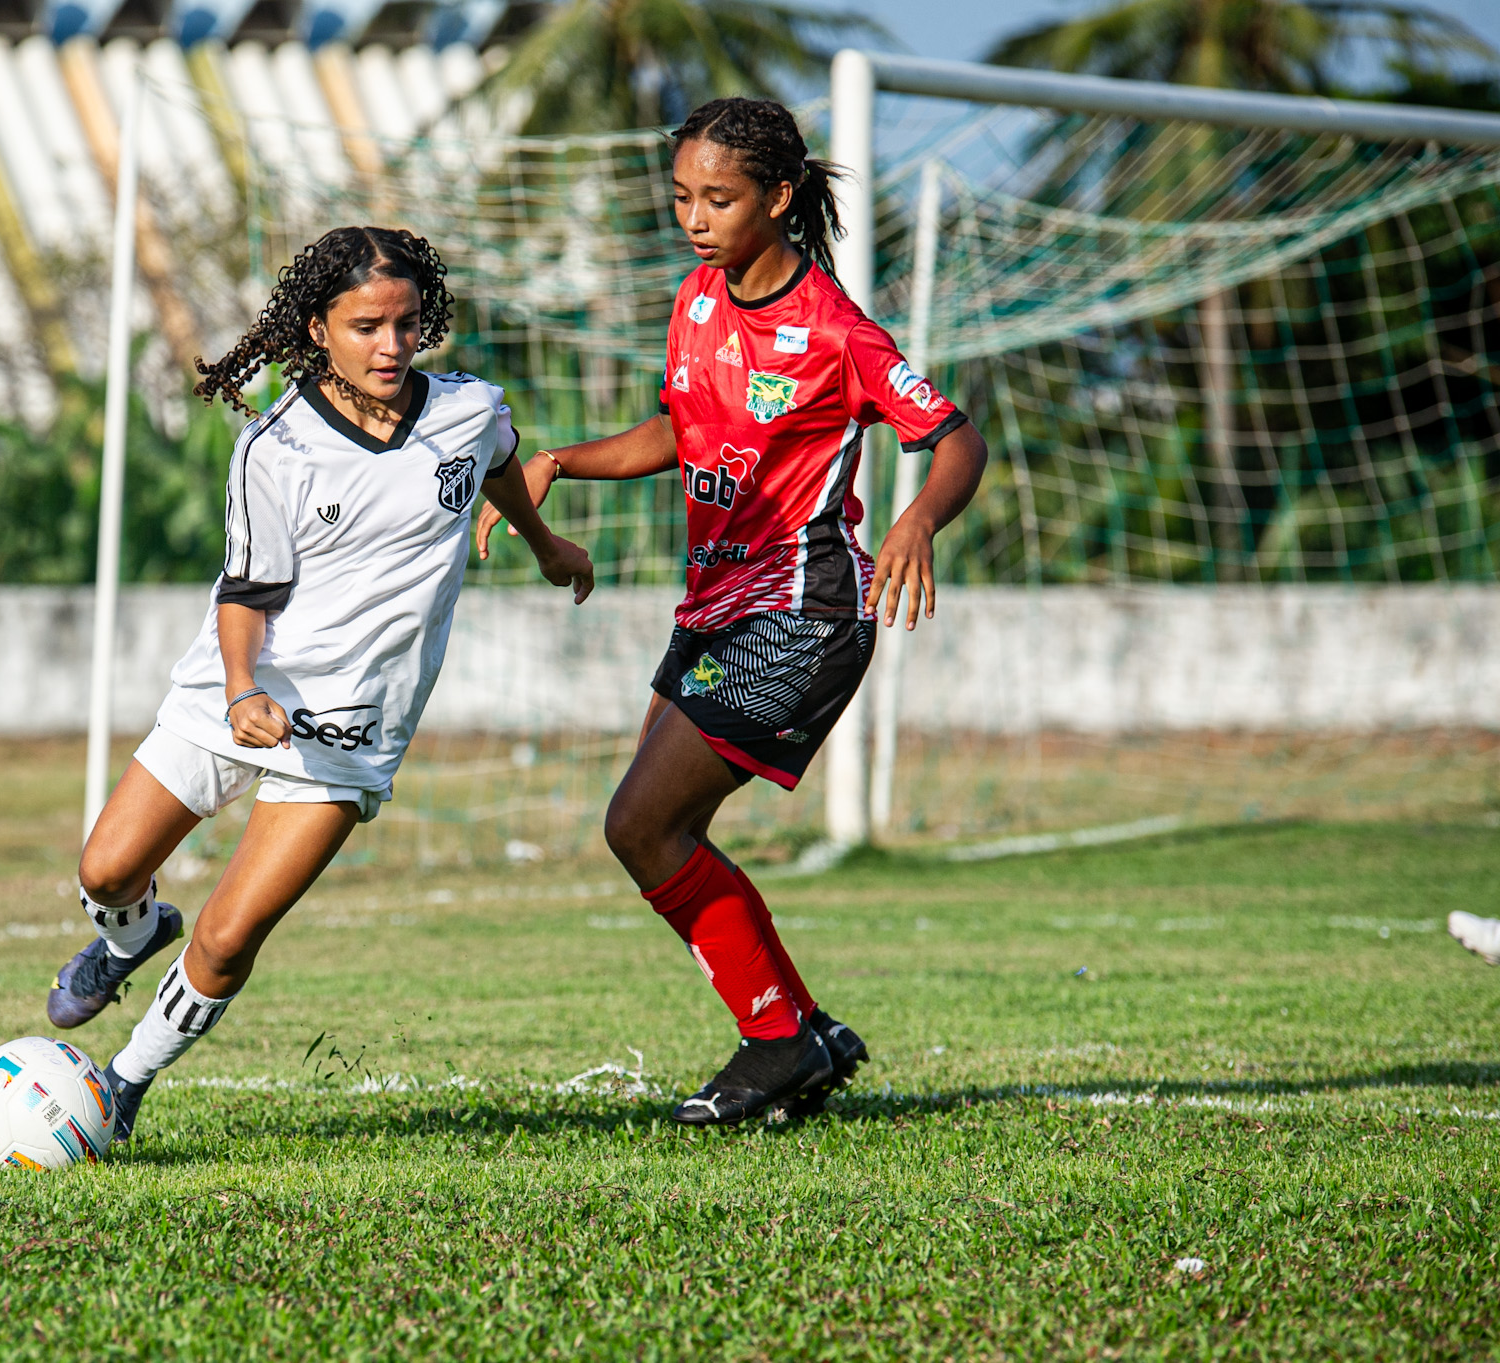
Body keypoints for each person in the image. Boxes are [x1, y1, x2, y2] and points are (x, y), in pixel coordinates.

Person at [478, 97, 990, 1126]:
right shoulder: (696, 299)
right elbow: (679, 428)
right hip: (715, 608)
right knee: (650, 829)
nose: (694, 218)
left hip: (803, 612)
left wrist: (917, 520)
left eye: (717, 197)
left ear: (778, 195)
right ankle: (798, 1031)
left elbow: (955, 436)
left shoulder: (835, 333)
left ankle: (773, 1042)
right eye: (681, 197)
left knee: (642, 823)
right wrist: (562, 462)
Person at [48, 226, 594, 1141]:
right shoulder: (277, 448)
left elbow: (498, 465)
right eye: (366, 326)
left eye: (407, 324)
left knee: (227, 934)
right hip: (239, 692)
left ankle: (122, 1086)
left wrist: (545, 545)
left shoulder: (469, 410)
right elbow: (247, 593)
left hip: (354, 725)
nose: (391, 346)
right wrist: (237, 690)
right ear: (318, 329)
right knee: (105, 868)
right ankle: (128, 938)